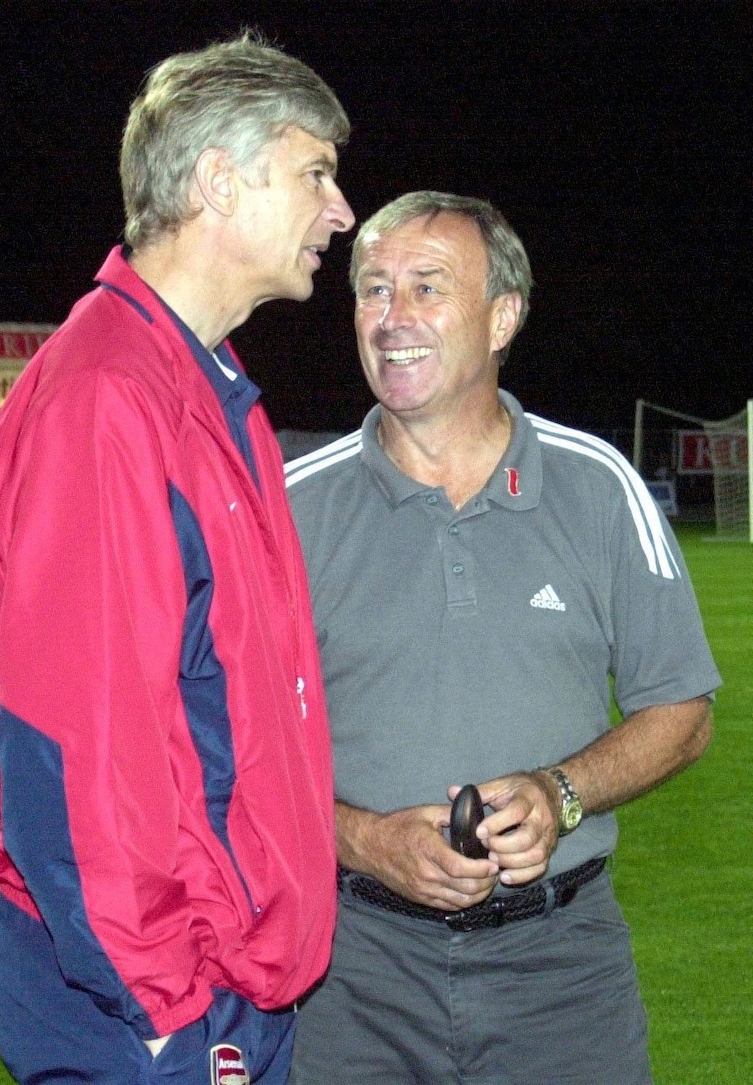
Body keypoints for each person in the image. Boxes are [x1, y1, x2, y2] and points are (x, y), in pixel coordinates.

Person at [0, 32, 354, 1085]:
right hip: (148, 1004)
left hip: (224, 981)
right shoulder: (109, 395)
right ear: (219, 182)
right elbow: (74, 747)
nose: (339, 210)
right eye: (314, 171)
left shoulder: (208, 388)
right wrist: (167, 1009)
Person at [284, 191, 719, 1085]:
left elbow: (681, 709)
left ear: (502, 316)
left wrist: (560, 791)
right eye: (372, 289)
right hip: (350, 974)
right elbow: (220, 750)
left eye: (428, 287)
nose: (392, 317)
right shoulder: (288, 508)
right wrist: (363, 840)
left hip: (563, 974)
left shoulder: (600, 486)